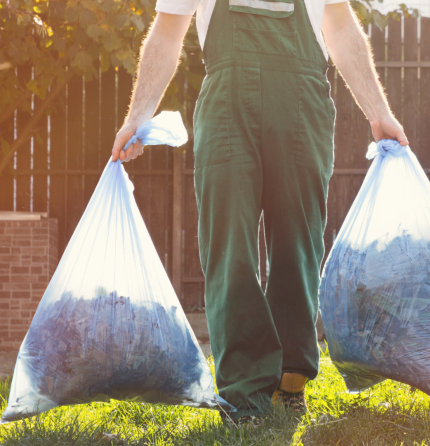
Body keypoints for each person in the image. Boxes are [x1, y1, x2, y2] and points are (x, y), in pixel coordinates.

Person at [110, 0, 408, 423]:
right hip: (227, 104)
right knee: (229, 245)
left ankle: (290, 381)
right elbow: (167, 31)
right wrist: (137, 117)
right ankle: (243, 390)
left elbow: (340, 26)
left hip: (302, 103)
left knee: (299, 243)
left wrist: (379, 113)